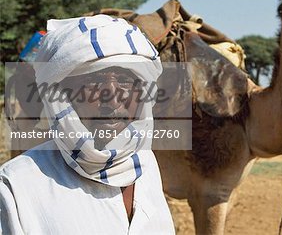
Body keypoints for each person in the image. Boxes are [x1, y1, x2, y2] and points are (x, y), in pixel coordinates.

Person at [0, 15, 175, 234]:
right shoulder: (15, 187)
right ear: (61, 96)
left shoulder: (145, 163)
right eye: (94, 81)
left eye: (125, 80)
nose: (112, 100)